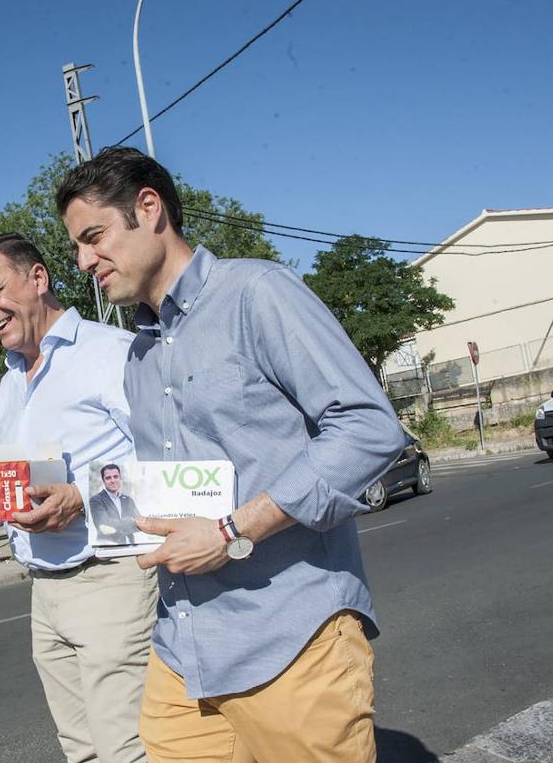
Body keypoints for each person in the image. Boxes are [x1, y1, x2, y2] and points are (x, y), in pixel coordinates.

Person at [56, 147, 407, 763]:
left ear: (149, 208)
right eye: (77, 249)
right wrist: (81, 500)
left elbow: (369, 429)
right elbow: (167, 485)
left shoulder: (257, 294)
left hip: (291, 639)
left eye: (94, 237)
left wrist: (231, 530)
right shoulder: (139, 356)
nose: (85, 262)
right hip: (183, 652)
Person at [0, 232, 158, 763]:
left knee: (125, 752)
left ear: (38, 278)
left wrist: (82, 497)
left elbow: (169, 460)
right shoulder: (11, 381)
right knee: (82, 752)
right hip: (44, 589)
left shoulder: (111, 353)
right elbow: (12, 472)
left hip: (113, 579)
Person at [89, 463, 139, 545]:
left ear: (120, 478)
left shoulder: (128, 499)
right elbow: (103, 525)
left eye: (116, 477)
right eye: (108, 478)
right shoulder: (96, 500)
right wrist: (130, 521)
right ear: (103, 481)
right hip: (108, 546)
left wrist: (116, 524)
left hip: (130, 546)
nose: (113, 481)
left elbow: (139, 524)